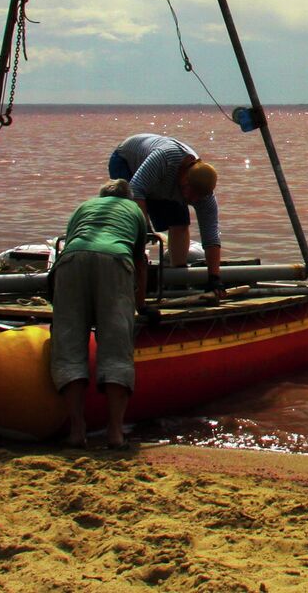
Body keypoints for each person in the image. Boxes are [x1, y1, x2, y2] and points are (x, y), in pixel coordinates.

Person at [49, 178, 149, 449]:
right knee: (116, 347)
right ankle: (115, 433)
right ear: (127, 197)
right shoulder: (135, 211)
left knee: (69, 346)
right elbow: (140, 262)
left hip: (72, 260)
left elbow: (69, 243)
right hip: (115, 261)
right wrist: (140, 305)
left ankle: (76, 430)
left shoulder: (84, 206)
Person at [108, 133, 222, 291]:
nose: (191, 199)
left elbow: (211, 236)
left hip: (163, 182)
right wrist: (144, 225)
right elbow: (136, 189)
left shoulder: (204, 197)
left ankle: (178, 279)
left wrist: (214, 278)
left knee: (180, 224)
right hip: (126, 162)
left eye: (197, 197)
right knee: (134, 226)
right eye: (190, 192)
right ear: (185, 178)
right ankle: (130, 277)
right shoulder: (164, 159)